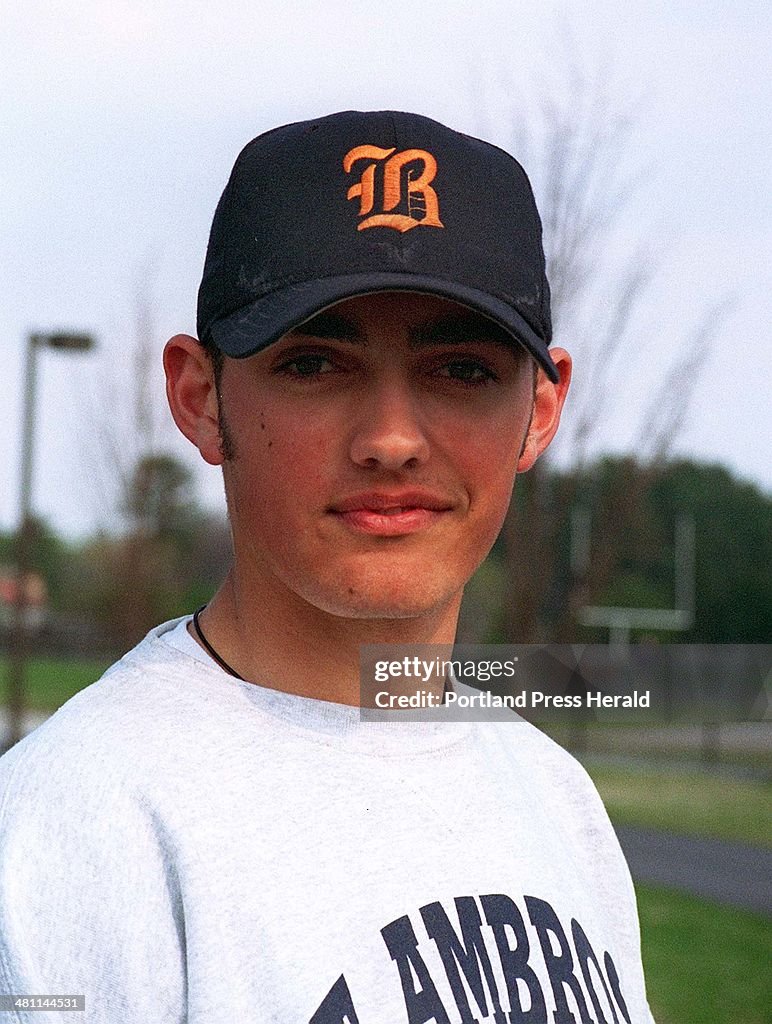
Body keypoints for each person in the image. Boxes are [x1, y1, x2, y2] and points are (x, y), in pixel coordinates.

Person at [0, 110, 655, 1022]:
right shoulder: (66, 832)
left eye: (462, 370)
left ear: (541, 412)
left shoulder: (555, 799)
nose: (391, 439)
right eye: (315, 363)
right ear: (200, 397)